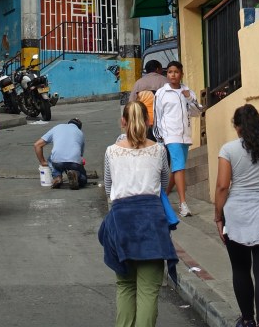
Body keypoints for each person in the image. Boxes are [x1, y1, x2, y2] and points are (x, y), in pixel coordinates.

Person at [99, 101, 178, 327]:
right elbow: (164, 182)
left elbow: (109, 189)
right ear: (148, 121)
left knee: (125, 286)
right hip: (152, 224)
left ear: (123, 122)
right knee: (148, 290)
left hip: (121, 224)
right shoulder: (158, 150)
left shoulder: (111, 152)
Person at [214, 103, 259, 327]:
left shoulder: (228, 150)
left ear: (237, 127)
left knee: (240, 269)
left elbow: (222, 187)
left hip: (235, 215)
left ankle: (247, 320)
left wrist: (218, 217)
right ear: (258, 124)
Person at [153, 60, 202, 217]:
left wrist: (189, 99)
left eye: (176, 72)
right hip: (170, 135)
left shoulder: (188, 92)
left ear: (181, 74)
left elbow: (197, 112)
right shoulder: (161, 93)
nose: (172, 75)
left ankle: (163, 198)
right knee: (179, 167)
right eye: (170, 72)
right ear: (167, 74)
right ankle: (183, 204)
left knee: (177, 167)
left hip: (185, 135)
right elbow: (157, 116)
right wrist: (159, 137)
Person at [34, 117, 87, 189]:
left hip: (57, 161)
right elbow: (80, 156)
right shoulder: (80, 133)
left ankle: (57, 176)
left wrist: (42, 162)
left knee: (51, 159)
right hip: (74, 162)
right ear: (79, 127)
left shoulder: (57, 127)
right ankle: (76, 175)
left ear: (68, 123)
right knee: (83, 179)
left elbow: (37, 145)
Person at [130, 59, 166, 139]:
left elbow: (131, 103)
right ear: (157, 69)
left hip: (144, 121)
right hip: (162, 121)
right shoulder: (165, 81)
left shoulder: (138, 83)